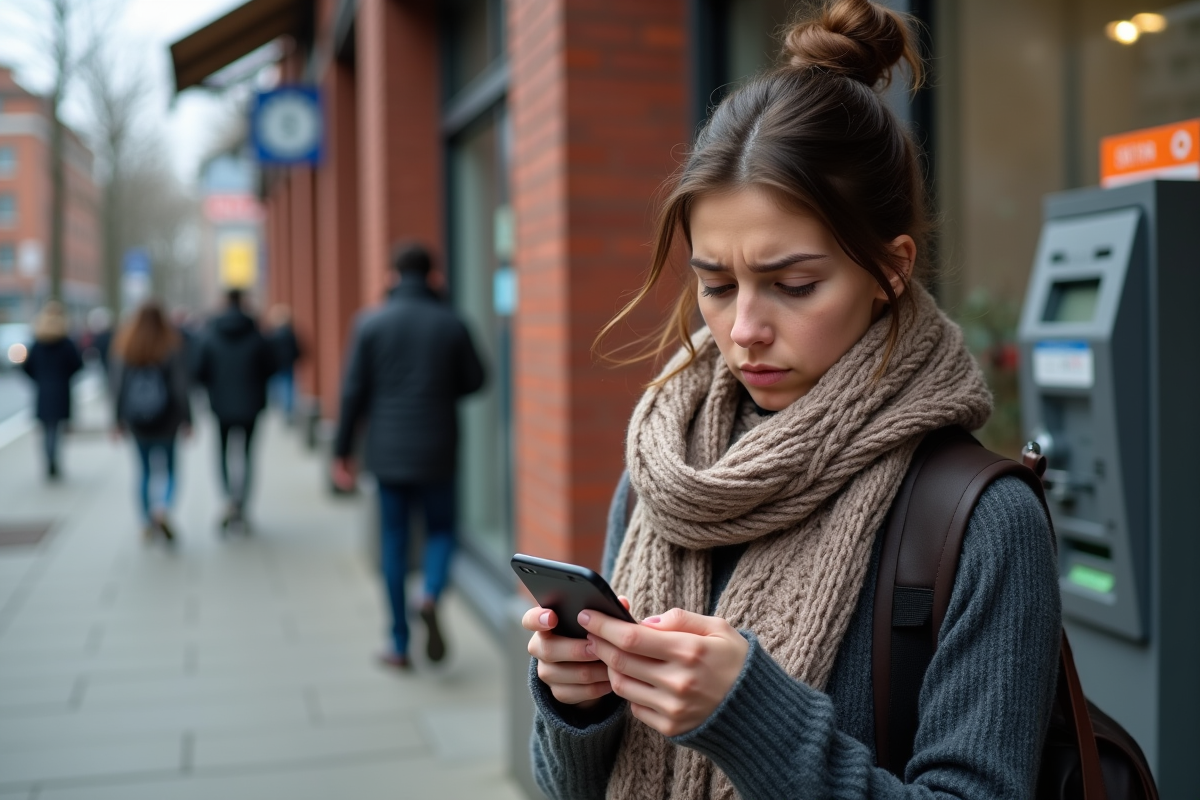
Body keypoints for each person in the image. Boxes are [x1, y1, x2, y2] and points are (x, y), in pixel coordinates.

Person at [522, 2, 1062, 799]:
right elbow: (568, 787)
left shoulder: (980, 519)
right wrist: (578, 705)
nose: (744, 330)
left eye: (795, 284)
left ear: (889, 270)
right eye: (716, 285)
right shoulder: (661, 477)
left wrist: (751, 717)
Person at [333, 242, 485, 670]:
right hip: (437, 448)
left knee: (394, 544)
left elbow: (352, 392)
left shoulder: (370, 323)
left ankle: (398, 643)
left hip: (388, 453)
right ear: (434, 277)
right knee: (441, 531)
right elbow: (477, 379)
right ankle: (430, 593)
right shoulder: (450, 322)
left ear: (391, 277)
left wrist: (341, 451)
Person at [112, 301, 193, 543]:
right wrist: (188, 419)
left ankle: (146, 522)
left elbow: (118, 386)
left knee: (144, 472)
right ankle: (163, 509)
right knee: (170, 470)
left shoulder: (126, 346)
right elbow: (180, 387)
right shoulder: (171, 346)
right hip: (168, 420)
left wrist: (117, 419)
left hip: (137, 421)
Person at [195, 289, 275, 532]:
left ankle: (229, 500)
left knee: (222, 454)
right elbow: (271, 366)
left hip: (220, 405)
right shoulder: (256, 334)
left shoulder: (211, 334)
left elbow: (198, 371)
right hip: (251, 404)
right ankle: (242, 504)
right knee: (248, 456)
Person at [22, 301, 83, 480]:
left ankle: (49, 460)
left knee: (46, 429)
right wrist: (65, 377)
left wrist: (39, 379)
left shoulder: (38, 342)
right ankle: (53, 460)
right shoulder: (66, 342)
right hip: (61, 390)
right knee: (56, 429)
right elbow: (77, 364)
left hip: (43, 390)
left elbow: (26, 367)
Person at [265, 304, 302, 420]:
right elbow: (297, 349)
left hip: (276, 364)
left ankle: (279, 407)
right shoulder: (290, 334)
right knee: (288, 385)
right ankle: (287, 409)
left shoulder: (273, 334)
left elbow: (268, 350)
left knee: (277, 385)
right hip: (288, 363)